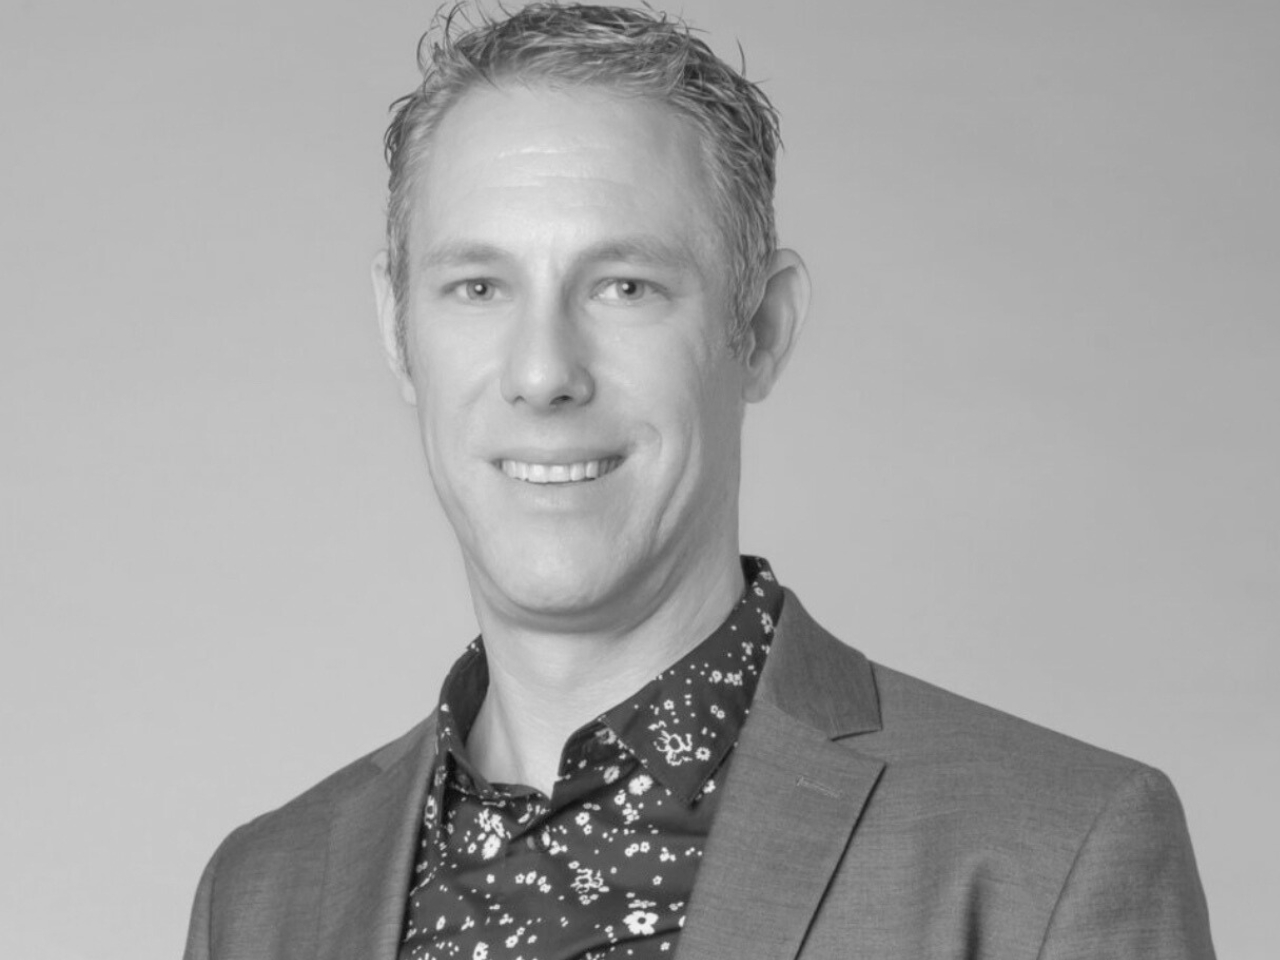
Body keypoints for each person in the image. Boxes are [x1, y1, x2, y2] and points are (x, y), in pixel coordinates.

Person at [183, 4, 1215, 958]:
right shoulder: (265, 894)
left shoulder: (1051, 856)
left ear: (758, 330)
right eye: (478, 286)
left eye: (625, 286)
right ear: (397, 329)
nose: (543, 372)